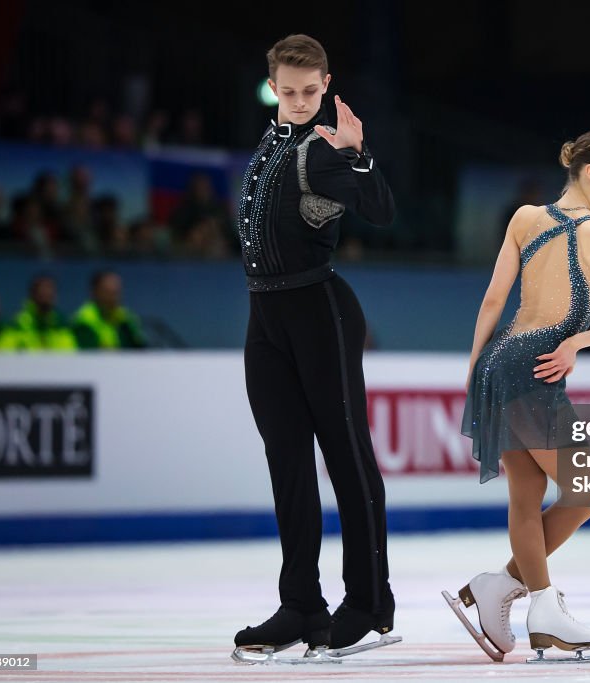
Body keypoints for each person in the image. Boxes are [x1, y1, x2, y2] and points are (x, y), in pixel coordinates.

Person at [448, 131, 590, 663]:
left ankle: (502, 589)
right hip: (535, 368)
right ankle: (538, 604)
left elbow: (494, 299)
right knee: (587, 490)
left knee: (526, 494)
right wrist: (577, 341)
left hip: (501, 361)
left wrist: (474, 369)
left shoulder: (523, 218)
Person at [231, 34, 397, 663]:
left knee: (347, 456)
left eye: (311, 91)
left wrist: (360, 155)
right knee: (288, 463)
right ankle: (302, 603)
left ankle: (369, 600)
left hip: (319, 313)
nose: (300, 102)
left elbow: (381, 211)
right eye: (289, 91)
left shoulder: (321, 152)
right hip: (264, 318)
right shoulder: (272, 142)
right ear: (274, 86)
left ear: (326, 85)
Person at [70, 270, 147, 349]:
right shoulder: (84, 321)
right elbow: (89, 356)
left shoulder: (127, 318)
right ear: (94, 292)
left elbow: (140, 348)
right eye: (108, 292)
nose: (114, 298)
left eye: (116, 292)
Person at [12, 274, 77, 351]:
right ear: (32, 294)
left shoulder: (62, 324)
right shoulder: (18, 323)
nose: (46, 293)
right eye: (42, 291)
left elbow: (69, 353)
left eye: (50, 290)